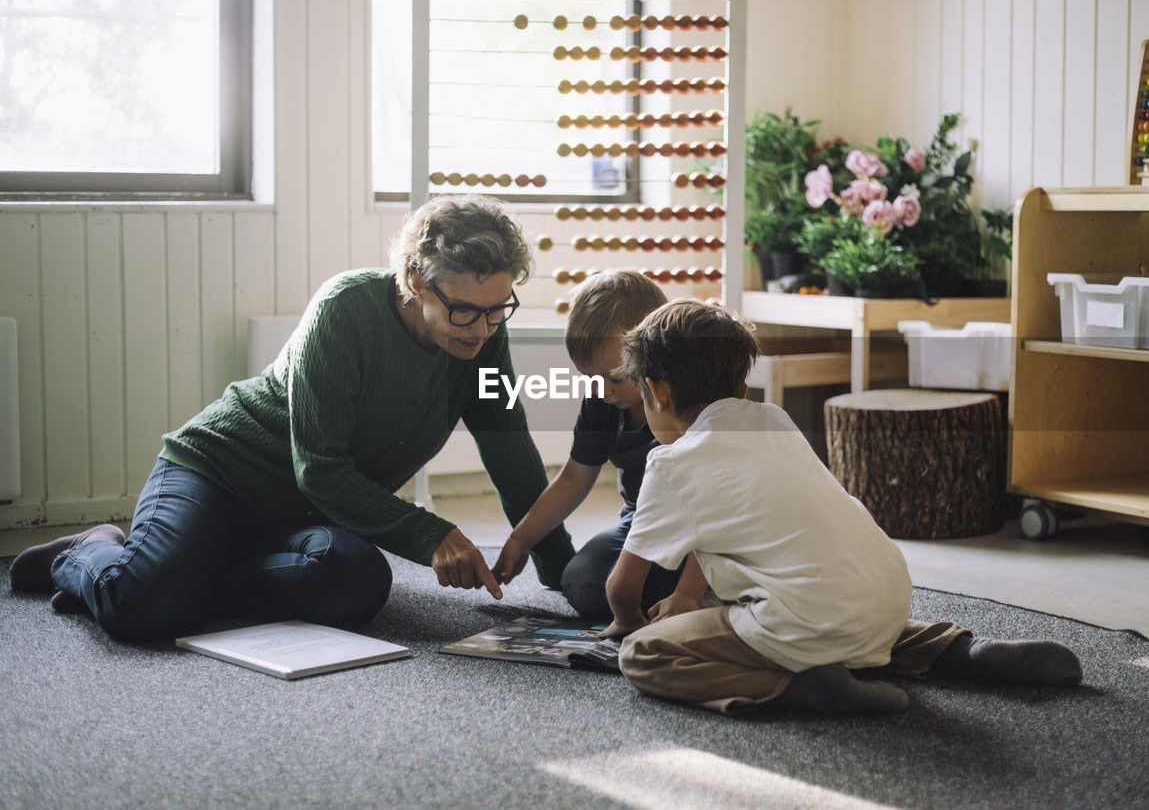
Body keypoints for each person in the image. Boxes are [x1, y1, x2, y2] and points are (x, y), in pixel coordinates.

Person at [8, 194, 574, 640]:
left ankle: (188, 572)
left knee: (358, 581)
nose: (481, 327)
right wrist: (433, 533)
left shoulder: (482, 340)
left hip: (301, 513)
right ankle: (89, 551)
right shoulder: (344, 308)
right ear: (416, 282)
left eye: (497, 310)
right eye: (465, 310)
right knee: (142, 610)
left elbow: (510, 450)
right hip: (217, 473)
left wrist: (563, 573)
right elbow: (322, 469)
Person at [603, 299, 1082, 714]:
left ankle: (797, 686)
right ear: (742, 390)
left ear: (658, 392)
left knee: (644, 655)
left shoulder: (670, 465)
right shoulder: (774, 420)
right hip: (889, 597)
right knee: (843, 617)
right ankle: (964, 651)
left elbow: (624, 588)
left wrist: (628, 621)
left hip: (802, 621)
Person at [491, 270, 684, 617]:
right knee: (582, 583)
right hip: (640, 524)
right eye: (590, 378)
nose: (603, 391)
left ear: (658, 352)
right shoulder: (602, 400)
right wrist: (521, 538)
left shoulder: (683, 403)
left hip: (698, 527)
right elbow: (574, 477)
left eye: (616, 378)